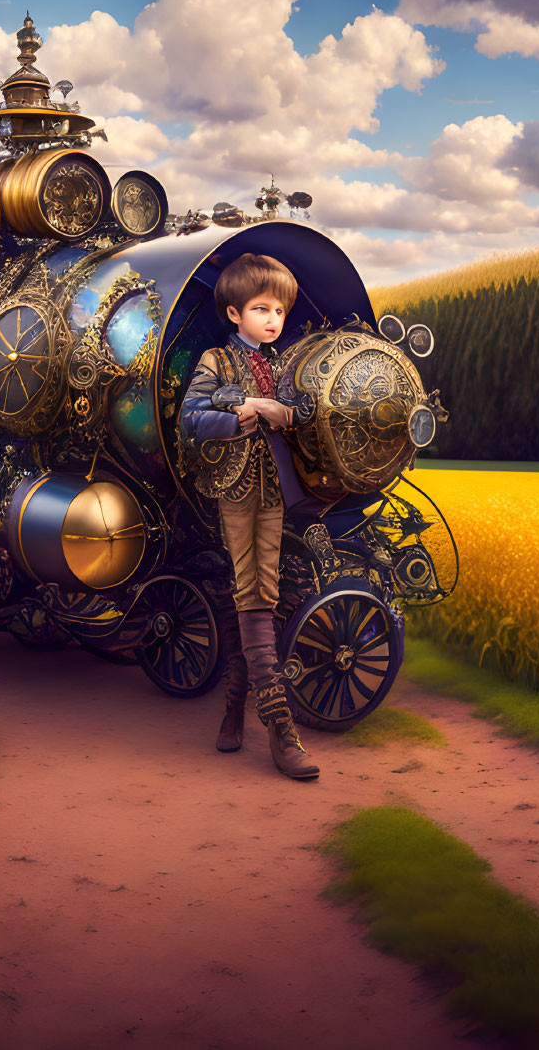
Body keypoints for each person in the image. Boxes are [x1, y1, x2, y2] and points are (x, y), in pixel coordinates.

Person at [176, 252, 320, 781]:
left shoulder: (283, 365)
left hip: (276, 491)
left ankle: (235, 707)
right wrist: (245, 412)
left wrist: (284, 411)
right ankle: (280, 727)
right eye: (262, 308)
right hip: (235, 487)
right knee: (255, 589)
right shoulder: (217, 359)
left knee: (258, 590)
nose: (273, 319)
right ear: (235, 312)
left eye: (280, 310)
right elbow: (191, 420)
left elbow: (304, 414)